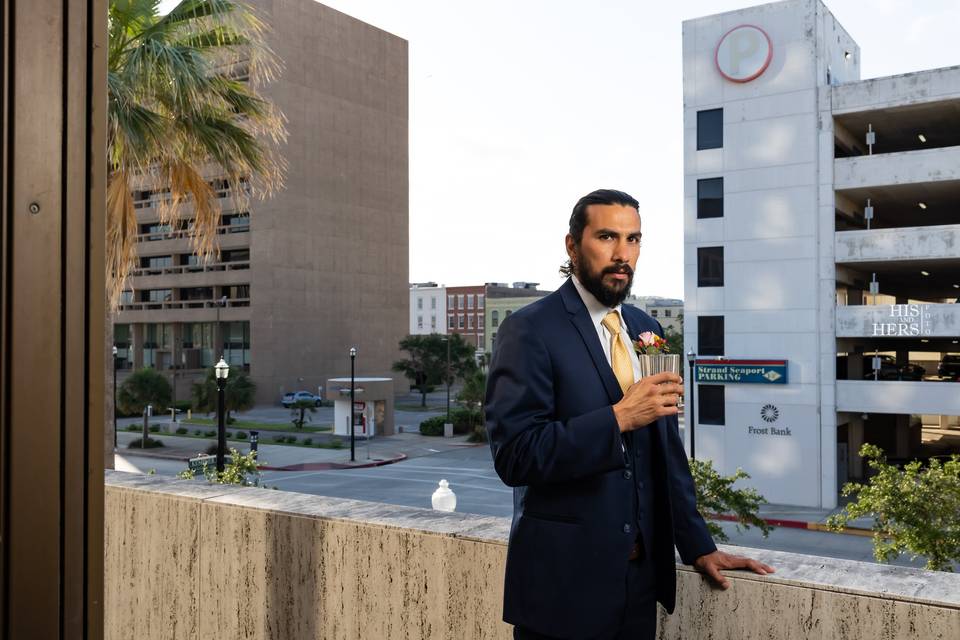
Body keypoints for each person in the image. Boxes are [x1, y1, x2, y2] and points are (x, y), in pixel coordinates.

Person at [484, 189, 774, 640]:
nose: (623, 254)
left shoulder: (646, 328)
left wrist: (698, 546)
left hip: (639, 584)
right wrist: (618, 417)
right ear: (572, 245)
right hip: (562, 591)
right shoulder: (528, 330)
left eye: (634, 239)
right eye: (607, 237)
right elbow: (516, 456)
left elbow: (666, 451)